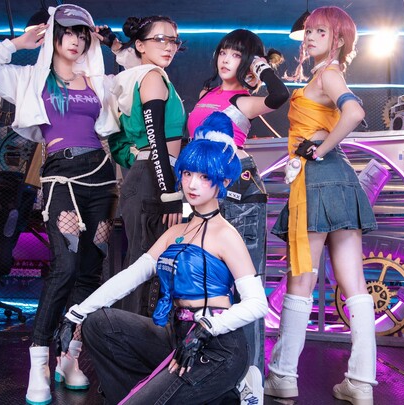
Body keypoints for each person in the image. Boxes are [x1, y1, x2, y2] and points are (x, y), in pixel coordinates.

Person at [57, 112, 268, 404]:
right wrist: (77, 313)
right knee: (99, 323)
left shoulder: (225, 235)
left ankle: (228, 392)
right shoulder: (175, 233)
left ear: (223, 180)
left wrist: (208, 328)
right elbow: (131, 276)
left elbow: (257, 303)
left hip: (216, 346)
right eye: (188, 173)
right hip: (176, 336)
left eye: (205, 177)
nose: (192, 184)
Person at [0, 5, 119, 405]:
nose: (76, 40)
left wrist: (117, 47)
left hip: (103, 178)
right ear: (52, 34)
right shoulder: (29, 78)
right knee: (65, 265)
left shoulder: (98, 79)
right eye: (68, 32)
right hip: (61, 177)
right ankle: (39, 361)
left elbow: (138, 79)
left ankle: (70, 357)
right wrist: (17, 43)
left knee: (90, 270)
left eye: (82, 34)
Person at [265, 6, 378, 405]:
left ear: (339, 40)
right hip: (340, 181)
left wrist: (319, 149)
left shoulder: (328, 73)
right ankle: (361, 381)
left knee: (301, 279)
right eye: (309, 30)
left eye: (320, 31)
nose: (310, 36)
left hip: (316, 179)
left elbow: (355, 111)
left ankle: (283, 376)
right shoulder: (323, 74)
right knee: (355, 284)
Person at [186, 26, 289, 390]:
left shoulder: (244, 100)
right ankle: (220, 374)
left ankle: (251, 378)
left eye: (236, 54)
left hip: (239, 190)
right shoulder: (206, 94)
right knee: (211, 281)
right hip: (205, 192)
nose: (226, 59)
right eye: (223, 52)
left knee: (248, 286)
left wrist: (260, 66)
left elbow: (280, 95)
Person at [107, 15, 186, 317]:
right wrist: (170, 195)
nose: (169, 47)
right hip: (154, 177)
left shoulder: (141, 75)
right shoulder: (152, 77)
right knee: (144, 265)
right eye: (160, 39)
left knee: (147, 263)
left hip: (151, 175)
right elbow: (156, 141)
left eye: (174, 40)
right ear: (140, 45)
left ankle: (136, 335)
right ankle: (130, 337)